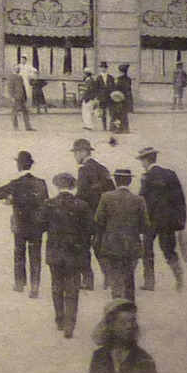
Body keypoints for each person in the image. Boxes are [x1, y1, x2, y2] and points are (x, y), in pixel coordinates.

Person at [44, 173, 95, 338]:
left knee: (56, 286)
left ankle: (59, 320)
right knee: (73, 288)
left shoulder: (49, 204)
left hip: (55, 252)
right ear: (72, 186)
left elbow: (41, 225)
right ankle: (70, 325)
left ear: (57, 186)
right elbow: (90, 230)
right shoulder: (82, 205)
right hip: (75, 253)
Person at [0, 151, 49, 297]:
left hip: (20, 224)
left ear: (18, 165)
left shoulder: (15, 183)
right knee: (35, 255)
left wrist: (11, 199)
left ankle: (19, 283)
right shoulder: (41, 183)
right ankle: (35, 286)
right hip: (36, 225)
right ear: (31, 165)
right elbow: (46, 203)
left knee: (19, 252)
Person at [135, 147, 186, 293]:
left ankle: (149, 282)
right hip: (168, 222)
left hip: (151, 221)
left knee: (147, 252)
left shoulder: (147, 177)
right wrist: (180, 221)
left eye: (142, 161)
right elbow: (179, 199)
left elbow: (142, 200)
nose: (142, 164)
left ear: (146, 160)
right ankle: (179, 280)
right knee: (169, 251)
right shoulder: (170, 174)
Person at [93, 167, 147, 303]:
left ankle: (117, 309)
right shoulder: (139, 200)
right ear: (129, 181)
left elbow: (98, 222)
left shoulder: (106, 197)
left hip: (111, 246)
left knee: (115, 282)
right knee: (129, 280)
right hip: (132, 247)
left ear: (116, 181)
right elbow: (145, 227)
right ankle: (129, 311)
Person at [72, 137, 113, 290]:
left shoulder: (83, 170)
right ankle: (108, 276)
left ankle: (88, 280)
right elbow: (111, 191)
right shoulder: (102, 168)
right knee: (100, 247)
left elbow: (82, 194)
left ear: (83, 152)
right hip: (104, 215)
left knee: (83, 248)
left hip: (88, 216)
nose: (75, 156)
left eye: (76, 153)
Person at [6, 64, 34, 131]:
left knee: (25, 112)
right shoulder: (11, 77)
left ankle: (28, 127)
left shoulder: (20, 77)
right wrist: (11, 97)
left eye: (18, 69)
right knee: (15, 112)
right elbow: (9, 88)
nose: (17, 70)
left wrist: (25, 96)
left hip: (22, 97)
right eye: (16, 69)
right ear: (13, 69)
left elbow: (23, 87)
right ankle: (15, 127)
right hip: (15, 97)